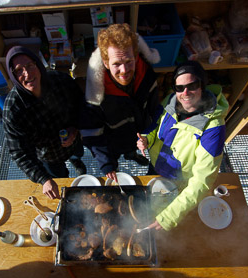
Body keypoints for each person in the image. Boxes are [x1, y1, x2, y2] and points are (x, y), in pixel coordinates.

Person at [137, 60, 229, 231]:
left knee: (165, 225)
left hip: (180, 185)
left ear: (202, 85)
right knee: (144, 212)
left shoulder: (213, 127)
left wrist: (170, 216)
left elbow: (202, 181)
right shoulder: (170, 101)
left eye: (192, 85)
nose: (185, 92)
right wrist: (146, 139)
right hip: (156, 167)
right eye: (179, 88)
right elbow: (155, 126)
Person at [80, 23, 161, 183]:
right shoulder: (96, 93)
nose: (124, 70)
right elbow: (92, 132)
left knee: (132, 150)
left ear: (136, 56)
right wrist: (106, 164)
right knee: (113, 161)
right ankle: (116, 163)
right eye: (116, 64)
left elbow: (154, 109)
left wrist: (150, 135)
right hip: (113, 142)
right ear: (105, 62)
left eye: (129, 61)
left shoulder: (147, 76)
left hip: (139, 135)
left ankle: (133, 155)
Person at [3, 46, 87, 200]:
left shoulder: (61, 81)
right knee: (60, 177)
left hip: (74, 141)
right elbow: (19, 152)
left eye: (29, 65)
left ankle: (77, 163)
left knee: (77, 155)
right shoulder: (13, 109)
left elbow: (82, 106)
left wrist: (76, 129)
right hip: (48, 156)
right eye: (19, 70)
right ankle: (64, 174)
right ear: (13, 76)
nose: (27, 74)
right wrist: (43, 179)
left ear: (38, 64)